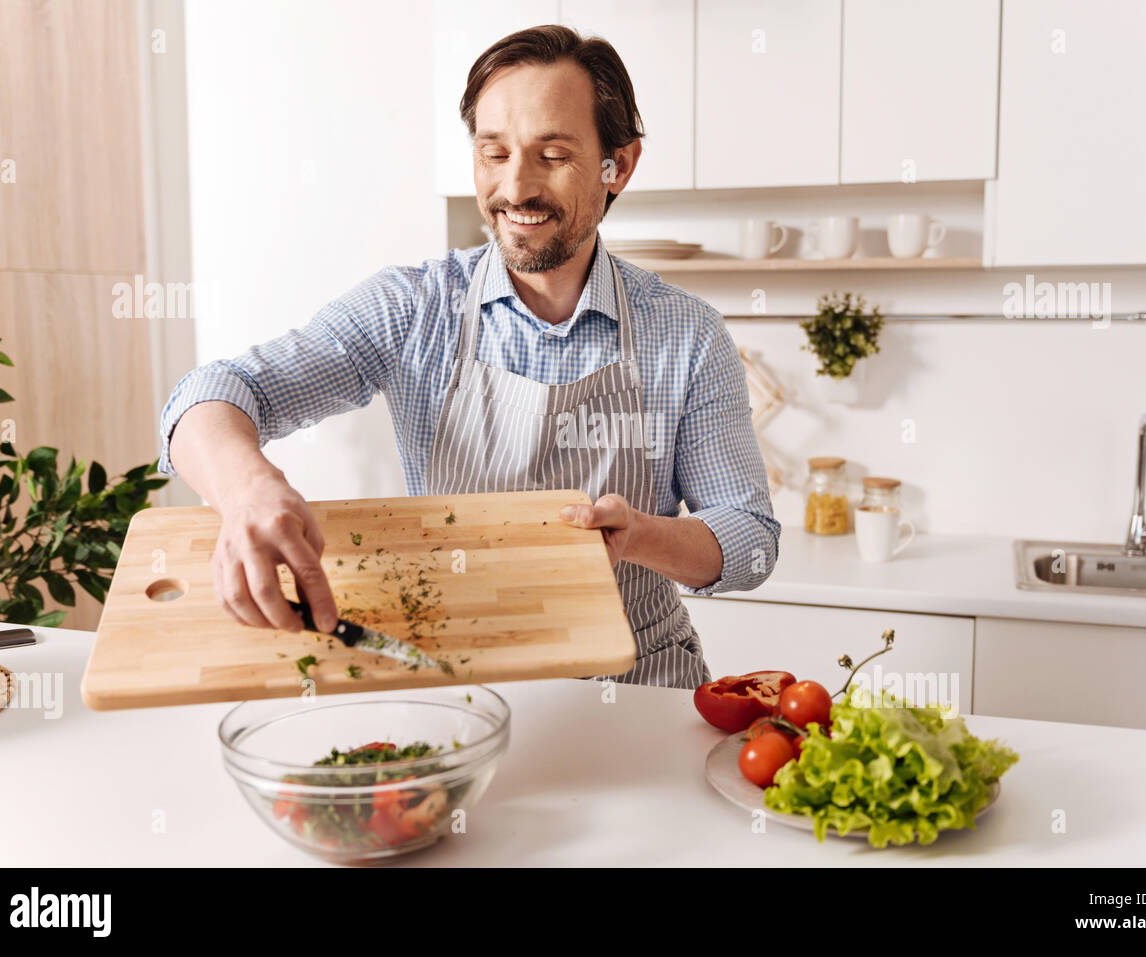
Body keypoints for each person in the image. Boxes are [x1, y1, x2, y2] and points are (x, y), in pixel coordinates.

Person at [159, 24, 779, 689]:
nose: (516, 188)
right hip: (462, 686)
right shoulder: (414, 308)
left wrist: (640, 537)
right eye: (495, 152)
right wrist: (247, 487)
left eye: (553, 154)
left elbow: (750, 539)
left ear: (616, 166)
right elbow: (209, 393)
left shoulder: (686, 333)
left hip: (637, 683)